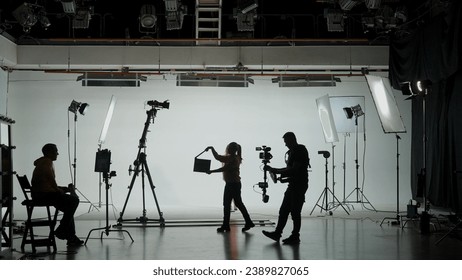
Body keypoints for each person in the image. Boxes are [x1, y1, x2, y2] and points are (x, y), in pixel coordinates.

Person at [31, 143, 83, 246]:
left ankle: (70, 236)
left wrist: (62, 189)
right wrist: (61, 190)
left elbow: (49, 183)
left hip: (41, 194)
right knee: (74, 201)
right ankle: (62, 229)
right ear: (49, 152)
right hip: (44, 196)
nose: (57, 153)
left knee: (69, 209)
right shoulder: (47, 163)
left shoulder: (42, 162)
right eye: (55, 151)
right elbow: (52, 184)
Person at [262, 132, 310, 245]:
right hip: (293, 184)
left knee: (295, 212)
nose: (285, 145)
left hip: (299, 186)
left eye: (286, 142)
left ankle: (295, 236)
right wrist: (276, 171)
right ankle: (277, 233)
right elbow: (290, 169)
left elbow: (294, 169)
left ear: (292, 140)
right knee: (284, 210)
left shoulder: (299, 151)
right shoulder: (293, 151)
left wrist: (276, 171)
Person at [206, 142, 255, 232]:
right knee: (238, 204)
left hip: (232, 184)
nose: (227, 149)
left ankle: (227, 225)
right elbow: (218, 157)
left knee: (227, 204)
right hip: (235, 184)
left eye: (229, 148)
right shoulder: (237, 157)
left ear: (232, 149)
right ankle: (247, 222)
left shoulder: (232, 159)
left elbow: (224, 168)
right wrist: (212, 148)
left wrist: (211, 171)